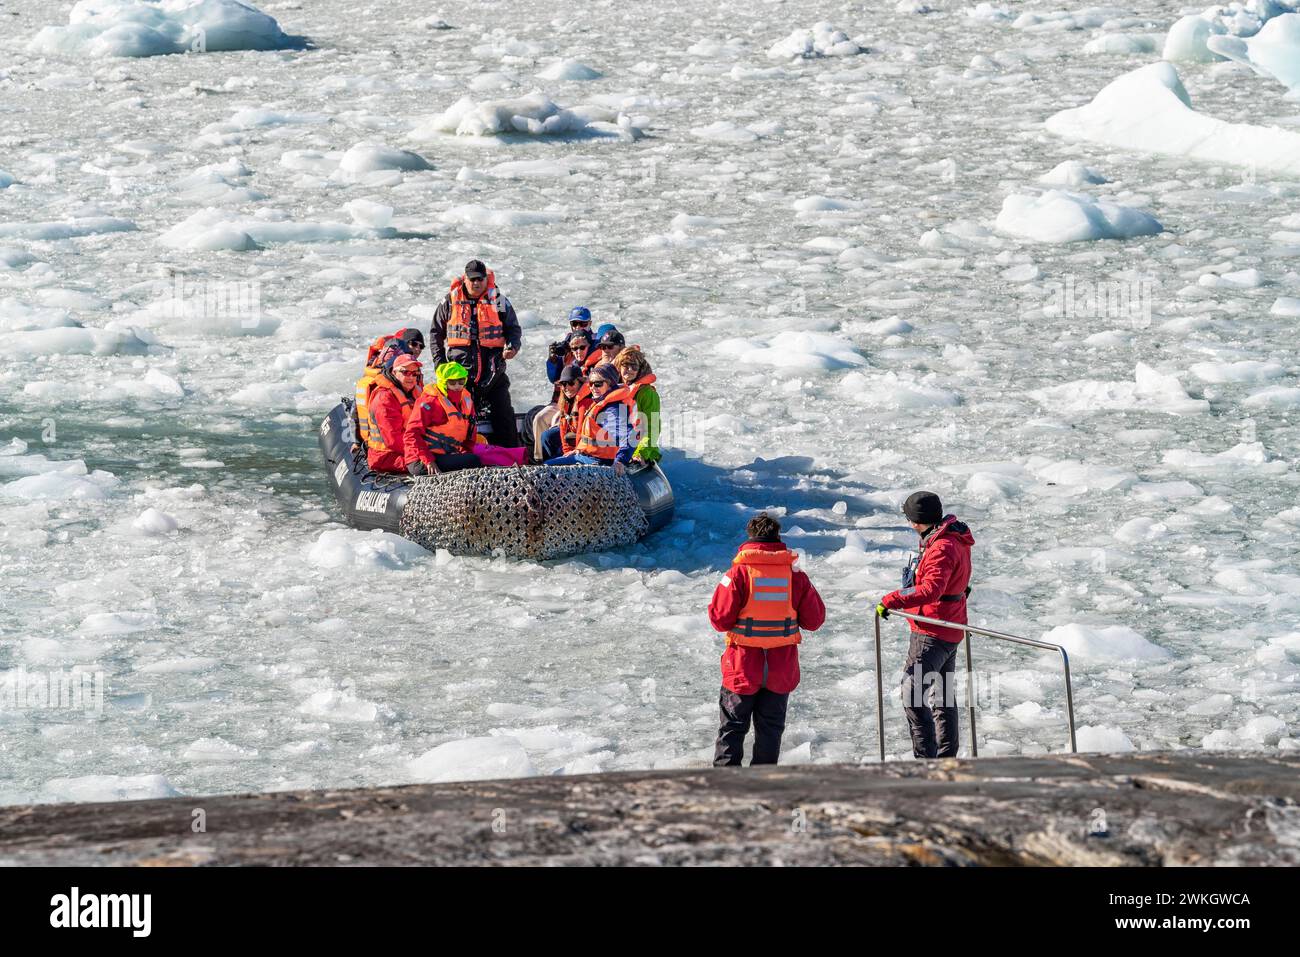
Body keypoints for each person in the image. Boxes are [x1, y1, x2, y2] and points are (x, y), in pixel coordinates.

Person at [709, 512, 825, 766]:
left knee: (732, 729)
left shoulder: (737, 574)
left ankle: (726, 789)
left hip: (742, 667)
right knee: (770, 732)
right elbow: (815, 620)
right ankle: (763, 786)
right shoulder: (796, 576)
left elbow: (719, 619)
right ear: (778, 538)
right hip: (780, 668)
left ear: (750, 538)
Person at [875, 491, 975, 760]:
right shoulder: (952, 539)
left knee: (912, 695)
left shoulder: (942, 547)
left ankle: (926, 759)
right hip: (950, 626)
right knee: (942, 697)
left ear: (916, 521)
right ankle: (945, 756)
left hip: (932, 631)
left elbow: (931, 589)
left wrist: (891, 600)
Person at [429, 260, 522, 446]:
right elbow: (435, 334)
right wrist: (440, 364)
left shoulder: (499, 300)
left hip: (493, 374)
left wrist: (512, 346)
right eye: (472, 279)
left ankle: (513, 455)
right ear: (465, 279)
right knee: (459, 418)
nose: (476, 283)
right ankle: (461, 456)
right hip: (461, 375)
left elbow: (513, 329)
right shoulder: (450, 301)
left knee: (504, 414)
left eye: (480, 279)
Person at [543, 364, 636, 474]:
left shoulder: (611, 410)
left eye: (598, 384)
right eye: (591, 384)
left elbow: (630, 436)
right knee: (548, 458)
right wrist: (579, 450)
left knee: (546, 468)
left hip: (598, 462)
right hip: (587, 456)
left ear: (610, 384)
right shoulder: (602, 403)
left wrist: (620, 460)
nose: (593, 388)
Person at [404, 362, 483, 474]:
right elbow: (411, 435)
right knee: (474, 461)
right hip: (420, 460)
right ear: (443, 383)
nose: (457, 386)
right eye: (452, 382)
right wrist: (429, 461)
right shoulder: (429, 402)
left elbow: (470, 433)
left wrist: (466, 452)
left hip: (447, 454)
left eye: (461, 382)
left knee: (473, 459)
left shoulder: (466, 399)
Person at [354, 327, 425, 450]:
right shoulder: (384, 384)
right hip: (382, 446)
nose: (417, 349)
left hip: (407, 436)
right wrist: (357, 442)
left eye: (421, 346)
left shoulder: (413, 371)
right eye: (413, 344)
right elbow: (359, 409)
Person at [366, 355, 423, 473]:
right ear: (394, 372)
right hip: (386, 457)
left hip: (409, 449)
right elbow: (394, 440)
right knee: (437, 463)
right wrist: (424, 451)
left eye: (415, 373)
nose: (411, 377)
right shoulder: (385, 398)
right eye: (405, 372)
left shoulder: (415, 392)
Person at [611, 346, 661, 465]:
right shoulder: (612, 389)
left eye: (634, 366)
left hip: (639, 450)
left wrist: (641, 453)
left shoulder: (647, 393)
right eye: (626, 365)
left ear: (640, 370)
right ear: (619, 365)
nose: (629, 369)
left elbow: (652, 427)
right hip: (616, 448)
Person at [539, 364, 592, 461]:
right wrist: (566, 451)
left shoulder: (586, 403)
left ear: (580, 383)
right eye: (563, 384)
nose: (567, 387)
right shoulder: (566, 401)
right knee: (546, 436)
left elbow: (582, 433)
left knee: (550, 463)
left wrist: (574, 453)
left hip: (584, 445)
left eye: (571, 383)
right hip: (571, 439)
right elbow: (563, 429)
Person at [546, 307, 596, 383]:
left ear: (590, 323)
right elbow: (554, 379)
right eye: (575, 323)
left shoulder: (597, 341)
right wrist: (553, 361)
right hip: (569, 387)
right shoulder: (565, 345)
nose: (578, 327)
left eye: (583, 323)